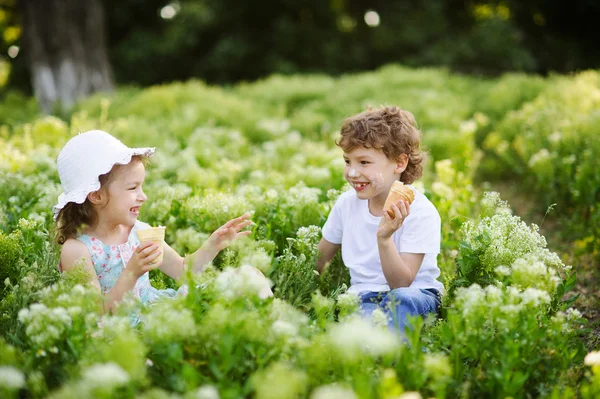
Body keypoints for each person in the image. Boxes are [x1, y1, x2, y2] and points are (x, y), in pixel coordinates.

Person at [54, 130, 271, 314]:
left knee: (249, 276)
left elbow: (182, 270)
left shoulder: (139, 231)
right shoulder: (77, 250)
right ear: (96, 195)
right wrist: (132, 273)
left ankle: (278, 336)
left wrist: (213, 245)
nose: (143, 196)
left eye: (141, 187)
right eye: (132, 188)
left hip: (159, 311)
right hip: (125, 328)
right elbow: (96, 311)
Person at [316, 106, 443, 332]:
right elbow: (318, 261)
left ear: (400, 163)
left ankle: (393, 354)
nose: (352, 173)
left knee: (402, 301)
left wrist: (384, 239)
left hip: (416, 295)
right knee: (363, 313)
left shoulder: (420, 211)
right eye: (348, 161)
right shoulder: (346, 205)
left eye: (364, 163)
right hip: (365, 296)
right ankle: (380, 349)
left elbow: (401, 283)